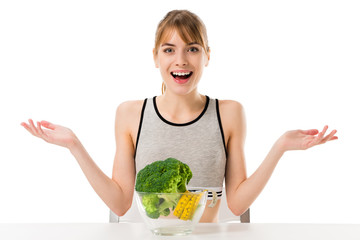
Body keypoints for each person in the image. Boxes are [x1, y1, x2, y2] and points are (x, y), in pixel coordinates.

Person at [21, 10, 338, 223]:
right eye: (169, 49)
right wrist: (74, 145)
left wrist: (280, 147)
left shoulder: (229, 113)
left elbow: (238, 204)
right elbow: (119, 203)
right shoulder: (131, 114)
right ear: (156, 57)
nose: (181, 60)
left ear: (207, 56)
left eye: (193, 48)